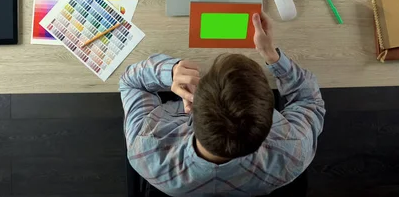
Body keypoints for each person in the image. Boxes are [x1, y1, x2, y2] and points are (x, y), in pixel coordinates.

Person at [119, 12, 326, 196]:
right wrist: (272, 56)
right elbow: (309, 99)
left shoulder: (145, 148)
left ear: (189, 110)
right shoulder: (293, 152)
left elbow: (130, 82)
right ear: (269, 120)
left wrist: (169, 71)